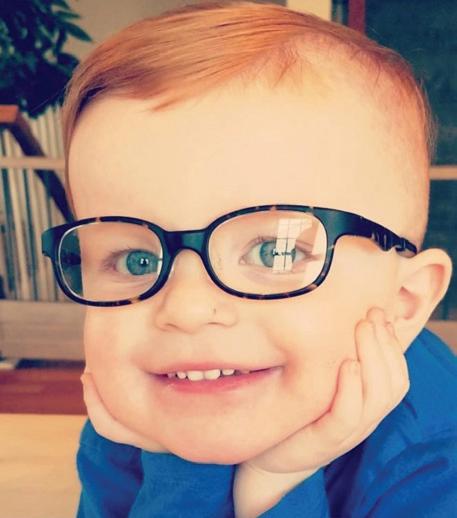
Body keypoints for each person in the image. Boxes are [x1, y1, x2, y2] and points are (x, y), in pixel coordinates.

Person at [41, 1, 457, 516]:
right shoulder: (130, 417)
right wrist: (182, 472)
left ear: (403, 303)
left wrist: (275, 487)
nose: (187, 310)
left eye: (273, 251)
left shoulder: (436, 460)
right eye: (135, 261)